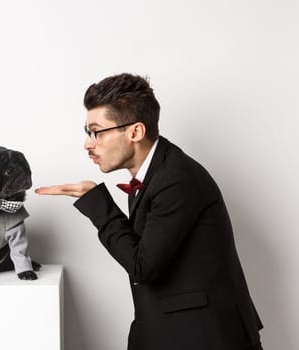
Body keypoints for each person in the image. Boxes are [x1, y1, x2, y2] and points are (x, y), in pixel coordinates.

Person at [35, 73, 263, 350]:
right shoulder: (155, 173)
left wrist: (99, 206)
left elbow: (143, 266)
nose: (88, 143)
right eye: (87, 132)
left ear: (135, 132)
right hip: (169, 330)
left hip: (206, 337)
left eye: (97, 132)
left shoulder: (176, 179)